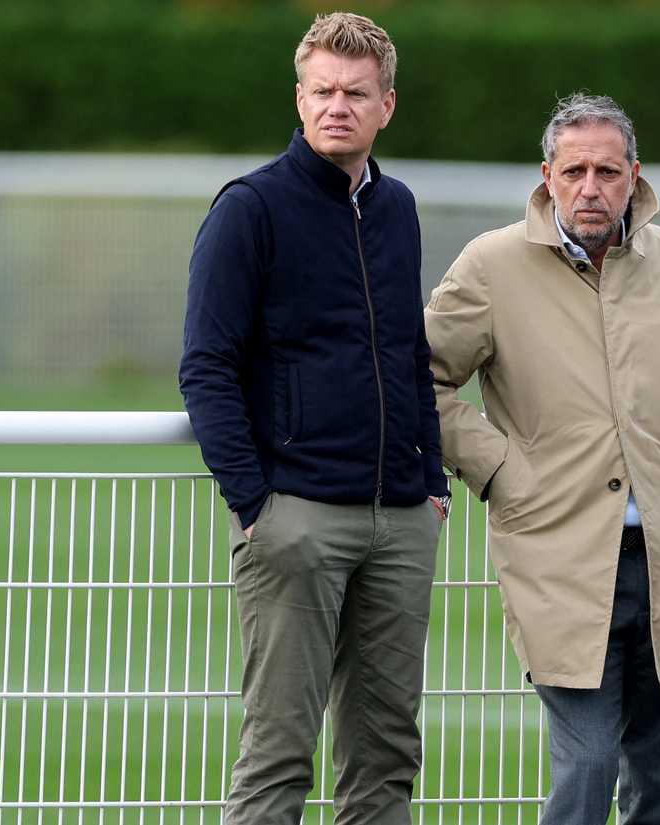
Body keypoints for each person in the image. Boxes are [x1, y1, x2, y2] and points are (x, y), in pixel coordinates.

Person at [424, 93, 660, 824]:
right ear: (547, 176)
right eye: (574, 170)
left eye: (608, 171)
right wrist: (501, 468)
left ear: (634, 176)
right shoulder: (491, 265)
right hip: (560, 556)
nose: (591, 187)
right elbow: (422, 377)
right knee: (589, 763)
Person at [178, 13, 448, 825]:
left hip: (400, 519)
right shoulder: (250, 208)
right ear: (299, 99)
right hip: (295, 518)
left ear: (386, 105)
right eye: (323, 90)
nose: (339, 106)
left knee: (387, 754)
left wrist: (428, 480)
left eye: (356, 93)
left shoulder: (396, 207)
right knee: (279, 752)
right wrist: (255, 503)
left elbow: (408, 352)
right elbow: (206, 364)